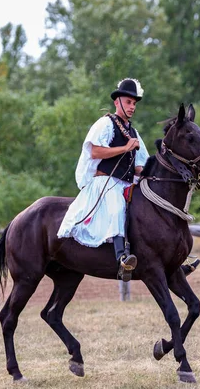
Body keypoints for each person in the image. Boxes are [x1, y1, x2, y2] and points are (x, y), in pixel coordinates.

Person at [57, 78, 150, 281]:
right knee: (117, 207)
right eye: (128, 102)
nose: (132, 106)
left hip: (126, 183)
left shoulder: (134, 133)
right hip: (105, 183)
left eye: (134, 103)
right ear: (117, 102)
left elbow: (140, 165)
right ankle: (121, 258)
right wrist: (125, 148)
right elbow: (95, 151)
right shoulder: (105, 123)